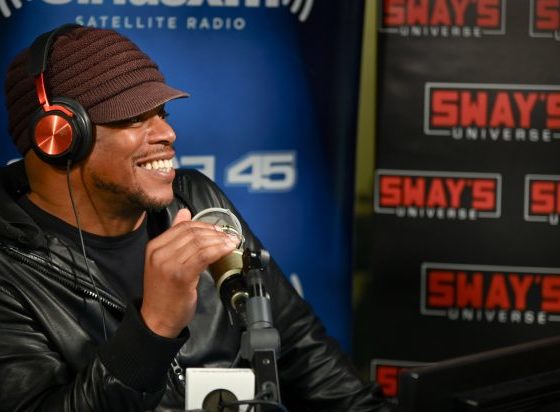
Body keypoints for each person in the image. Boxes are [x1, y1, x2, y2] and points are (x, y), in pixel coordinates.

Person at [0, 24, 387, 411]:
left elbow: (302, 350)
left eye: (162, 114)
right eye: (134, 118)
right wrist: (154, 329)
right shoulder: (8, 269)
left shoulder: (197, 199)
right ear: (60, 137)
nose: (167, 133)